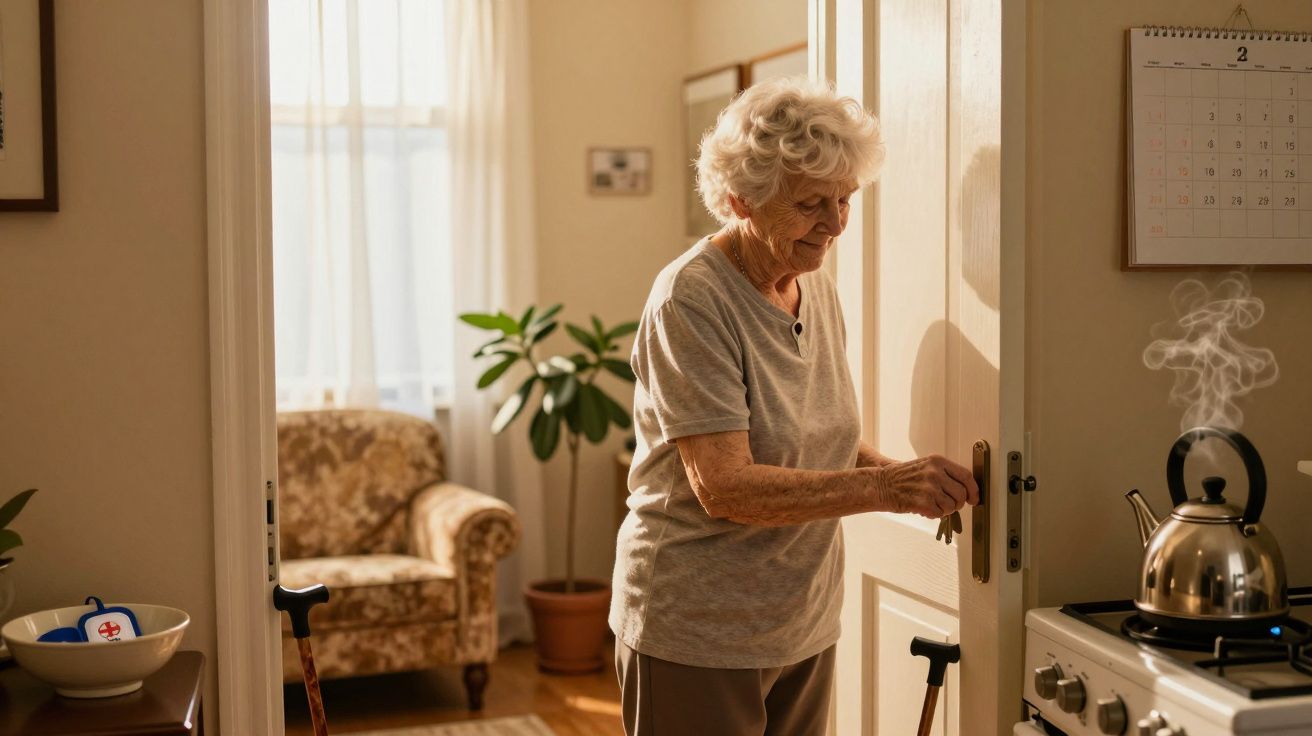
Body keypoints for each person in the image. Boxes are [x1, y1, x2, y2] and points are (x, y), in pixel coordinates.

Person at [609, 76, 980, 735]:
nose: (836, 224)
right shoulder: (691, 300)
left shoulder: (816, 288)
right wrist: (888, 488)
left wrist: (912, 480)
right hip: (696, 626)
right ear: (740, 201)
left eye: (846, 200)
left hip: (801, 618)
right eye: (813, 203)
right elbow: (725, 486)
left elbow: (815, 442)